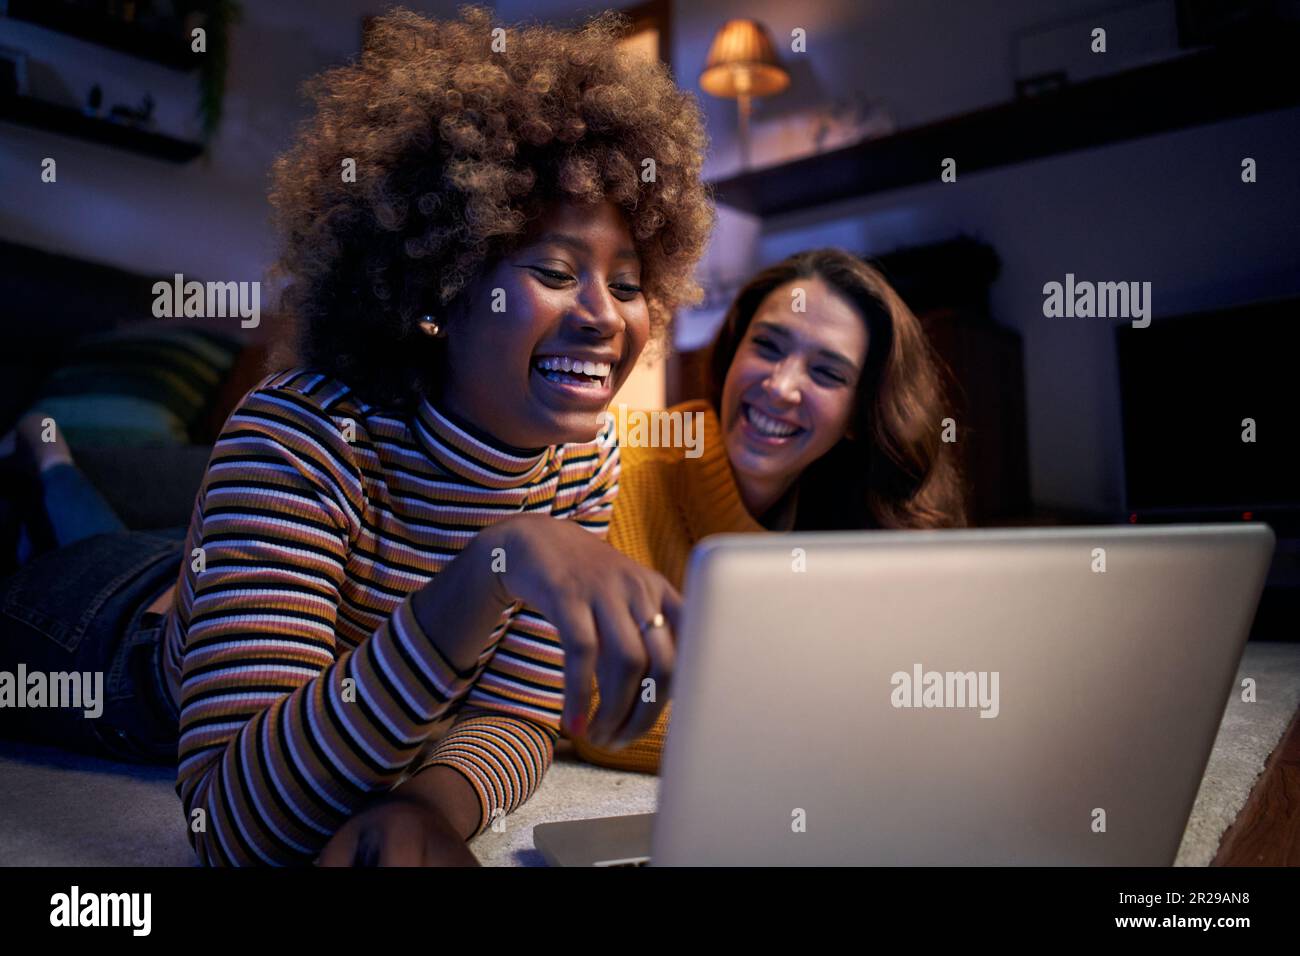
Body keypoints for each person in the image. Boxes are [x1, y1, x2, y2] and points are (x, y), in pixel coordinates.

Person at [0, 7, 712, 866]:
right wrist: (496, 561)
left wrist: (430, 805)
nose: (604, 315)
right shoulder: (297, 433)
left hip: (206, 566)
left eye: (630, 284)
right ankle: (43, 460)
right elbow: (232, 825)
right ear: (435, 292)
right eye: (556, 272)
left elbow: (516, 718)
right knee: (74, 531)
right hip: (108, 628)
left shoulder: (585, 459)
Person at [573, 248, 968, 772]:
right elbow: (602, 710)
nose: (780, 387)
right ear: (733, 352)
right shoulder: (617, 457)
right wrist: (812, 731)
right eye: (766, 346)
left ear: (858, 415)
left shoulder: (845, 521)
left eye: (826, 373)